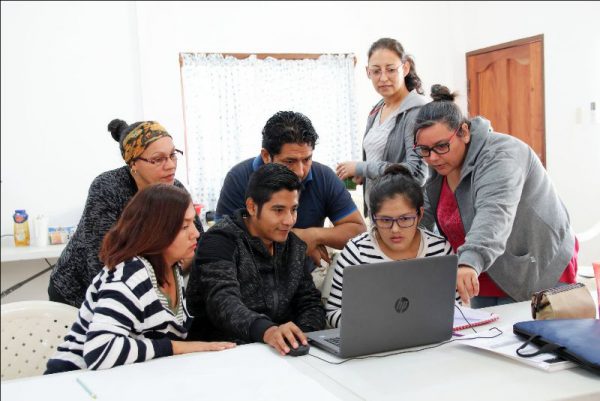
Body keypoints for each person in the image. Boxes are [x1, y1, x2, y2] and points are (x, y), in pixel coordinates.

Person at [414, 85, 578, 308]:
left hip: (538, 267)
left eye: (441, 146)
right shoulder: (440, 167)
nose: (432, 158)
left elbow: (494, 213)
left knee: (539, 340)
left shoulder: (502, 156)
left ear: (464, 131)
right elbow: (421, 218)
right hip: (483, 273)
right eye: (424, 150)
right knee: (489, 340)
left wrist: (470, 260)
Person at [45, 184, 235, 374]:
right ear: (157, 232)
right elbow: (100, 351)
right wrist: (176, 347)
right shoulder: (131, 273)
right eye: (184, 226)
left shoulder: (172, 267)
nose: (196, 233)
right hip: (73, 380)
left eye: (193, 223)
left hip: (121, 378)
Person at [48, 119, 203, 308]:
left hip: (141, 289)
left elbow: (198, 241)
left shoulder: (175, 189)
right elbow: (101, 258)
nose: (170, 165)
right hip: (79, 291)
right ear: (133, 163)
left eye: (173, 155)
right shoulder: (108, 187)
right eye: (158, 159)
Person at [187, 163, 325, 356]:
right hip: (221, 355)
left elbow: (309, 302)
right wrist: (269, 331)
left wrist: (298, 338)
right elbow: (223, 303)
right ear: (252, 207)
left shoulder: (292, 245)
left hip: (278, 352)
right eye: (278, 210)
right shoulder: (219, 240)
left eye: (293, 209)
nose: (289, 220)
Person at [215, 111, 366, 266]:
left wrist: (313, 236)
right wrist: (295, 244)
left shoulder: (324, 177)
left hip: (307, 277)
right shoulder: (238, 178)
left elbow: (358, 232)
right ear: (266, 156)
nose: (300, 171)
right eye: (289, 161)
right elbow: (221, 241)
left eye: (307, 159)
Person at [325, 165, 453, 328]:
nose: (395, 229)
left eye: (405, 219)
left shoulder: (440, 250)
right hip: (372, 343)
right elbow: (333, 313)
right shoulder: (357, 251)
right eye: (385, 220)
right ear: (373, 217)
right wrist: (374, 325)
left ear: (420, 214)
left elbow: (454, 308)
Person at [336, 38, 428, 211]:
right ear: (367, 72)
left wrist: (362, 167)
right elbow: (381, 163)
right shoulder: (377, 110)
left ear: (405, 68)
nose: (383, 78)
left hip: (405, 213)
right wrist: (362, 174)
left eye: (391, 70)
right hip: (379, 209)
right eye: (376, 71)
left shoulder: (416, 111)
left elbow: (416, 173)